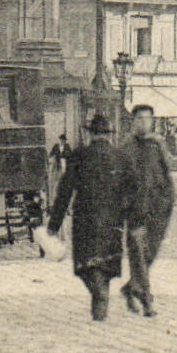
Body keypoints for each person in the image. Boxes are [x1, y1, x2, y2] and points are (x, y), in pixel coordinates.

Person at [46, 114, 133, 322]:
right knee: (105, 265)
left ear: (91, 134)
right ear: (109, 136)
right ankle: (101, 296)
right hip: (112, 223)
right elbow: (131, 193)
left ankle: (99, 298)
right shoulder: (120, 157)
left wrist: (54, 224)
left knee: (87, 266)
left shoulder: (79, 156)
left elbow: (64, 192)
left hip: (85, 221)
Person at [120, 104, 174, 317]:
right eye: (140, 119)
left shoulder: (156, 146)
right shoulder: (126, 148)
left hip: (158, 210)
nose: (144, 123)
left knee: (150, 253)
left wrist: (169, 200)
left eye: (148, 119)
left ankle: (131, 288)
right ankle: (147, 300)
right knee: (140, 256)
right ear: (133, 122)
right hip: (136, 212)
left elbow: (166, 174)